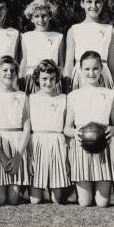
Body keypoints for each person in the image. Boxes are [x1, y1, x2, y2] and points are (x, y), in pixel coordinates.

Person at [64, 51, 114, 207]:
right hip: (82, 148)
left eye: (95, 68)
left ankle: (107, 187)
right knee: (85, 203)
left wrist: (112, 130)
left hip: (103, 148)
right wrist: (75, 132)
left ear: (101, 69)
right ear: (80, 69)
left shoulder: (110, 93)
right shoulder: (73, 95)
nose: (91, 73)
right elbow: (66, 128)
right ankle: (80, 190)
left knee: (102, 203)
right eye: (87, 69)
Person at [0, 55, 31, 205]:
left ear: (17, 73)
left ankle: (24, 188)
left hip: (17, 145)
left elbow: (27, 126)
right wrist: (3, 157)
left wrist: (18, 156)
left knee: (13, 199)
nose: (9, 73)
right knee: (0, 199)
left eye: (12, 70)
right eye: (5, 70)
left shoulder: (22, 96)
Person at [29, 59, 71, 204]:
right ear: (37, 79)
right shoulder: (31, 98)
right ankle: (37, 187)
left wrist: (67, 156)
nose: (48, 82)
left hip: (57, 143)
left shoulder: (64, 98)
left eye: (52, 79)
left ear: (57, 79)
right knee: (35, 200)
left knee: (57, 199)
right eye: (44, 79)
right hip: (38, 142)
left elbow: (66, 127)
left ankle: (54, 186)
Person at [64, 0, 114, 92]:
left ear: (102, 3)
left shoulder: (110, 30)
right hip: (80, 76)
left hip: (103, 77)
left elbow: (112, 64)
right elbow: (69, 63)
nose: (93, 5)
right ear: (82, 3)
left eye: (97, 2)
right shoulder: (74, 30)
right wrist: (66, 89)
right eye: (89, 2)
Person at [19, 0, 64, 94]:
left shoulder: (58, 37)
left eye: (44, 16)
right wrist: (21, 81)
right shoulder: (26, 36)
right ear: (31, 18)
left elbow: (61, 65)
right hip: (31, 80)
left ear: (50, 16)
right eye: (36, 16)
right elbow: (24, 61)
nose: (41, 20)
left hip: (51, 81)